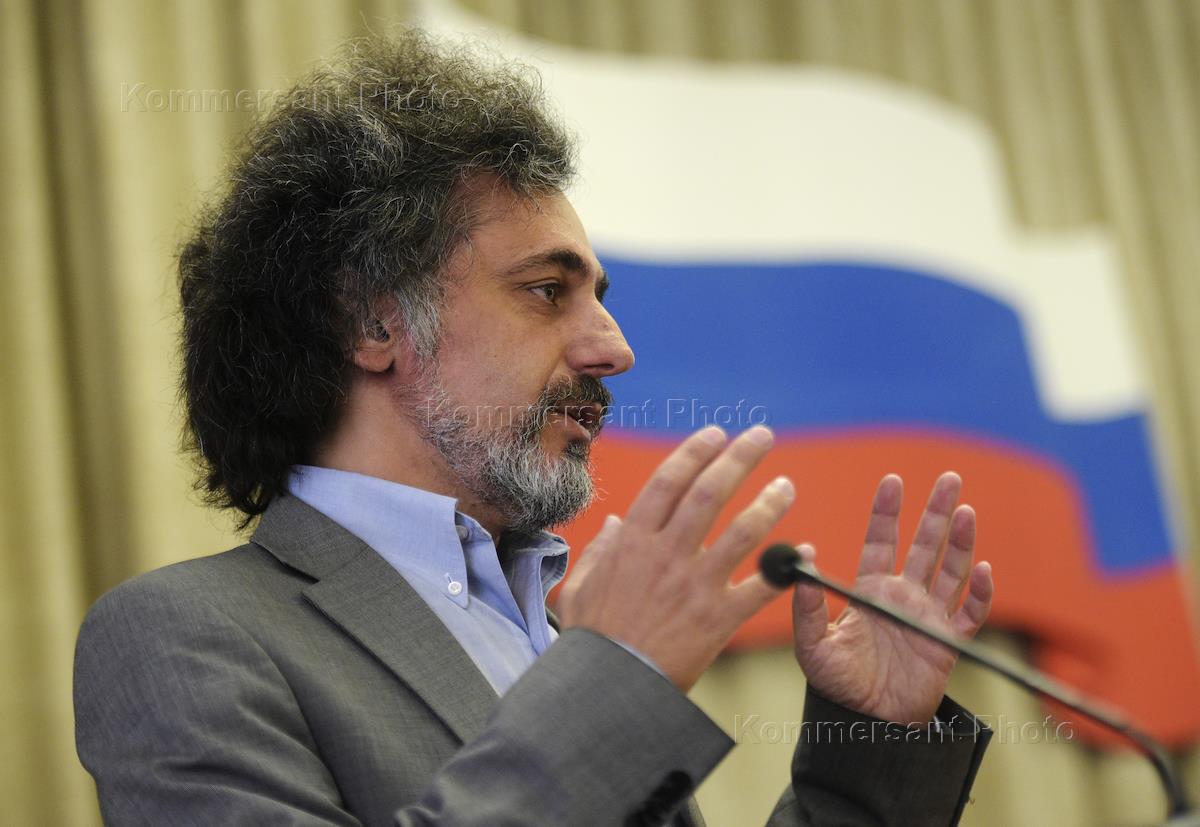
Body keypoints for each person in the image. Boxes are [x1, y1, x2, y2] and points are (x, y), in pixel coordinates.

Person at [74, 30, 996, 827]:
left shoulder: (560, 632)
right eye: (548, 291)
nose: (615, 349)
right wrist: (613, 679)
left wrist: (871, 738)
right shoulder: (186, 633)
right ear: (373, 322)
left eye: (600, 297)